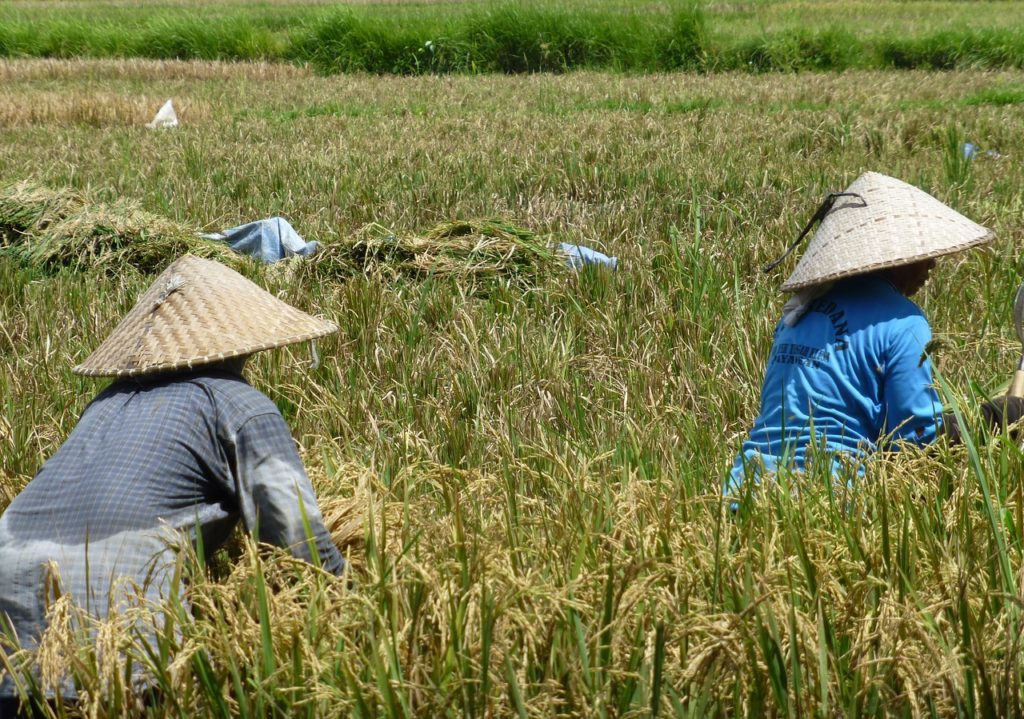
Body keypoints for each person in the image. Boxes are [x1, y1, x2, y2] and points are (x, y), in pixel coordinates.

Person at [0, 255, 345, 713]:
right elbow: (297, 543)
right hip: (109, 622)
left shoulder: (105, 404)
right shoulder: (241, 405)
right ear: (247, 341)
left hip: (9, 605)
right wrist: (356, 608)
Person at [728, 171, 996, 493]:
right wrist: (994, 418)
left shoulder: (796, 314)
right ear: (895, 257)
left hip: (743, 492)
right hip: (829, 499)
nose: (932, 265)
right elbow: (915, 443)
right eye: (923, 253)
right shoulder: (905, 323)